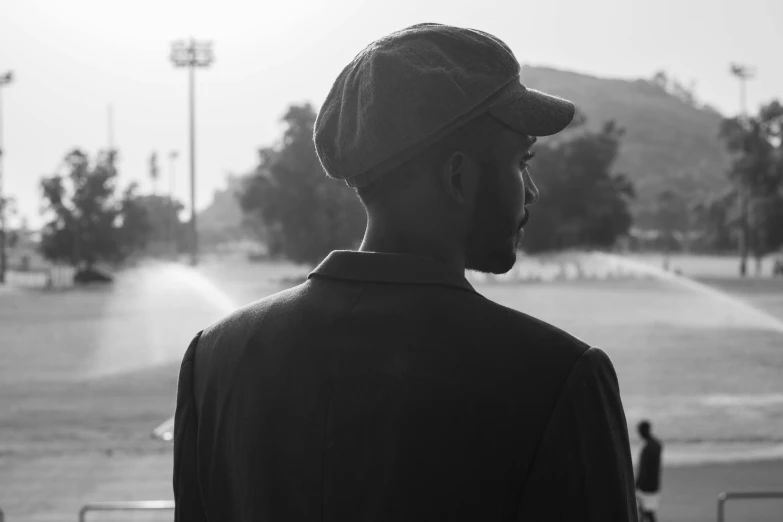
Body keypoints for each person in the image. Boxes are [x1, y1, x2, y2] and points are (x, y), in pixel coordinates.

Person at [173, 23, 637, 521]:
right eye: (521, 161)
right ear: (458, 174)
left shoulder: (214, 360)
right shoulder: (561, 377)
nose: (531, 191)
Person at [635, 420, 663, 522]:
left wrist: (637, 483)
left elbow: (644, 469)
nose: (639, 433)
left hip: (646, 485)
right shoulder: (656, 444)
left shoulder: (648, 447)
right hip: (653, 483)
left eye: (640, 431)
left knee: (647, 511)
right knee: (645, 510)